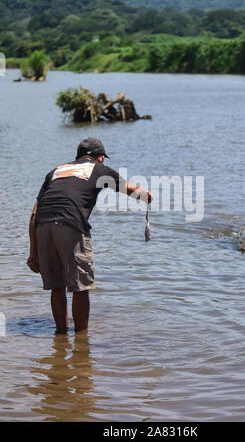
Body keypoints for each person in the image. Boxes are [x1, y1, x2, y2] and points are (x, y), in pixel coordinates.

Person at [27, 138, 153, 334]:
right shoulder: (98, 169)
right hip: (70, 223)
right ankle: (81, 341)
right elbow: (129, 189)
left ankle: (60, 336)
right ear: (100, 157)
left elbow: (34, 214)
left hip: (43, 225)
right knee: (80, 286)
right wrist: (146, 195)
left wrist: (33, 252)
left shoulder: (55, 171)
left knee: (57, 286)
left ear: (76, 157)